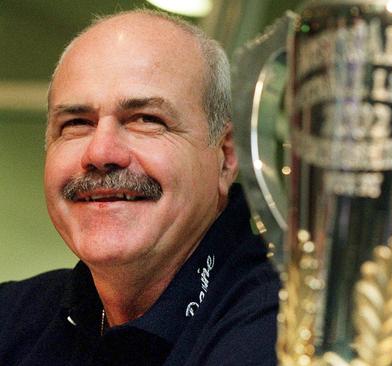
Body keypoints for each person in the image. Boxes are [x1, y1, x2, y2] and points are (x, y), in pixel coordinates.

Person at [0, 9, 280, 366]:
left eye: (146, 120)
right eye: (76, 123)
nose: (100, 152)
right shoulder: (14, 319)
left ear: (225, 157)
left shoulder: (285, 328)